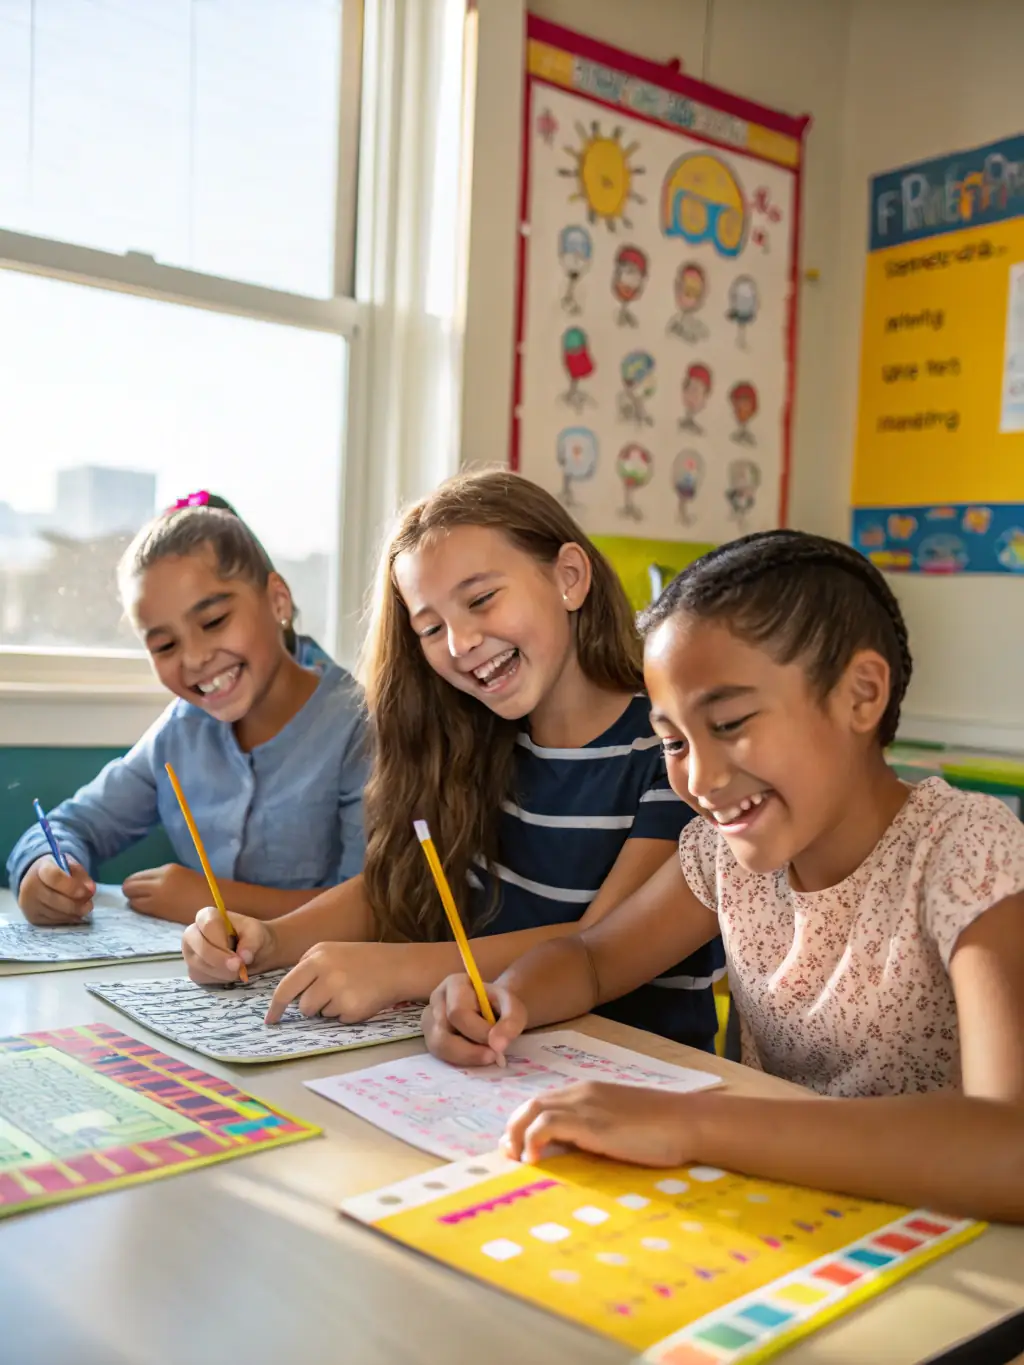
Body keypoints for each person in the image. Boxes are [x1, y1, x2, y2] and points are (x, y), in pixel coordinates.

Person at [424, 530, 1024, 1223]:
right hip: (779, 1221)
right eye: (674, 741)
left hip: (946, 1249)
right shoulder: (719, 853)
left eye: (731, 722)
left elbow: (1008, 1144)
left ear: (861, 695)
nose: (699, 778)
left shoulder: (966, 849)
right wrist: (503, 998)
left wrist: (693, 1124)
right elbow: (592, 960)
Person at [182, 470, 724, 1048]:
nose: (460, 643)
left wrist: (395, 970)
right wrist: (267, 938)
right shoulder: (479, 746)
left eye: (482, 599)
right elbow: (396, 888)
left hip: (640, 1074)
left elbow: (599, 946)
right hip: (499, 1060)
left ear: (569, 578)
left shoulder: (673, 750)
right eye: (432, 627)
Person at [8, 494, 367, 926]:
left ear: (278, 601)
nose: (194, 658)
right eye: (164, 645)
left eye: (213, 621)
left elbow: (370, 907)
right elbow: (71, 825)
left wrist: (215, 901)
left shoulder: (359, 727)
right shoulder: (178, 732)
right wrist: (44, 869)